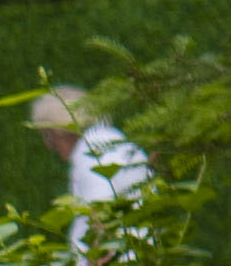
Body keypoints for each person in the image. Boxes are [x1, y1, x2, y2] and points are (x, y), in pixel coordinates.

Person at [29, 86, 152, 237]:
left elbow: (101, 214)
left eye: (48, 135)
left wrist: (94, 258)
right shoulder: (114, 139)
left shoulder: (89, 153)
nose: (49, 145)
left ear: (62, 127)